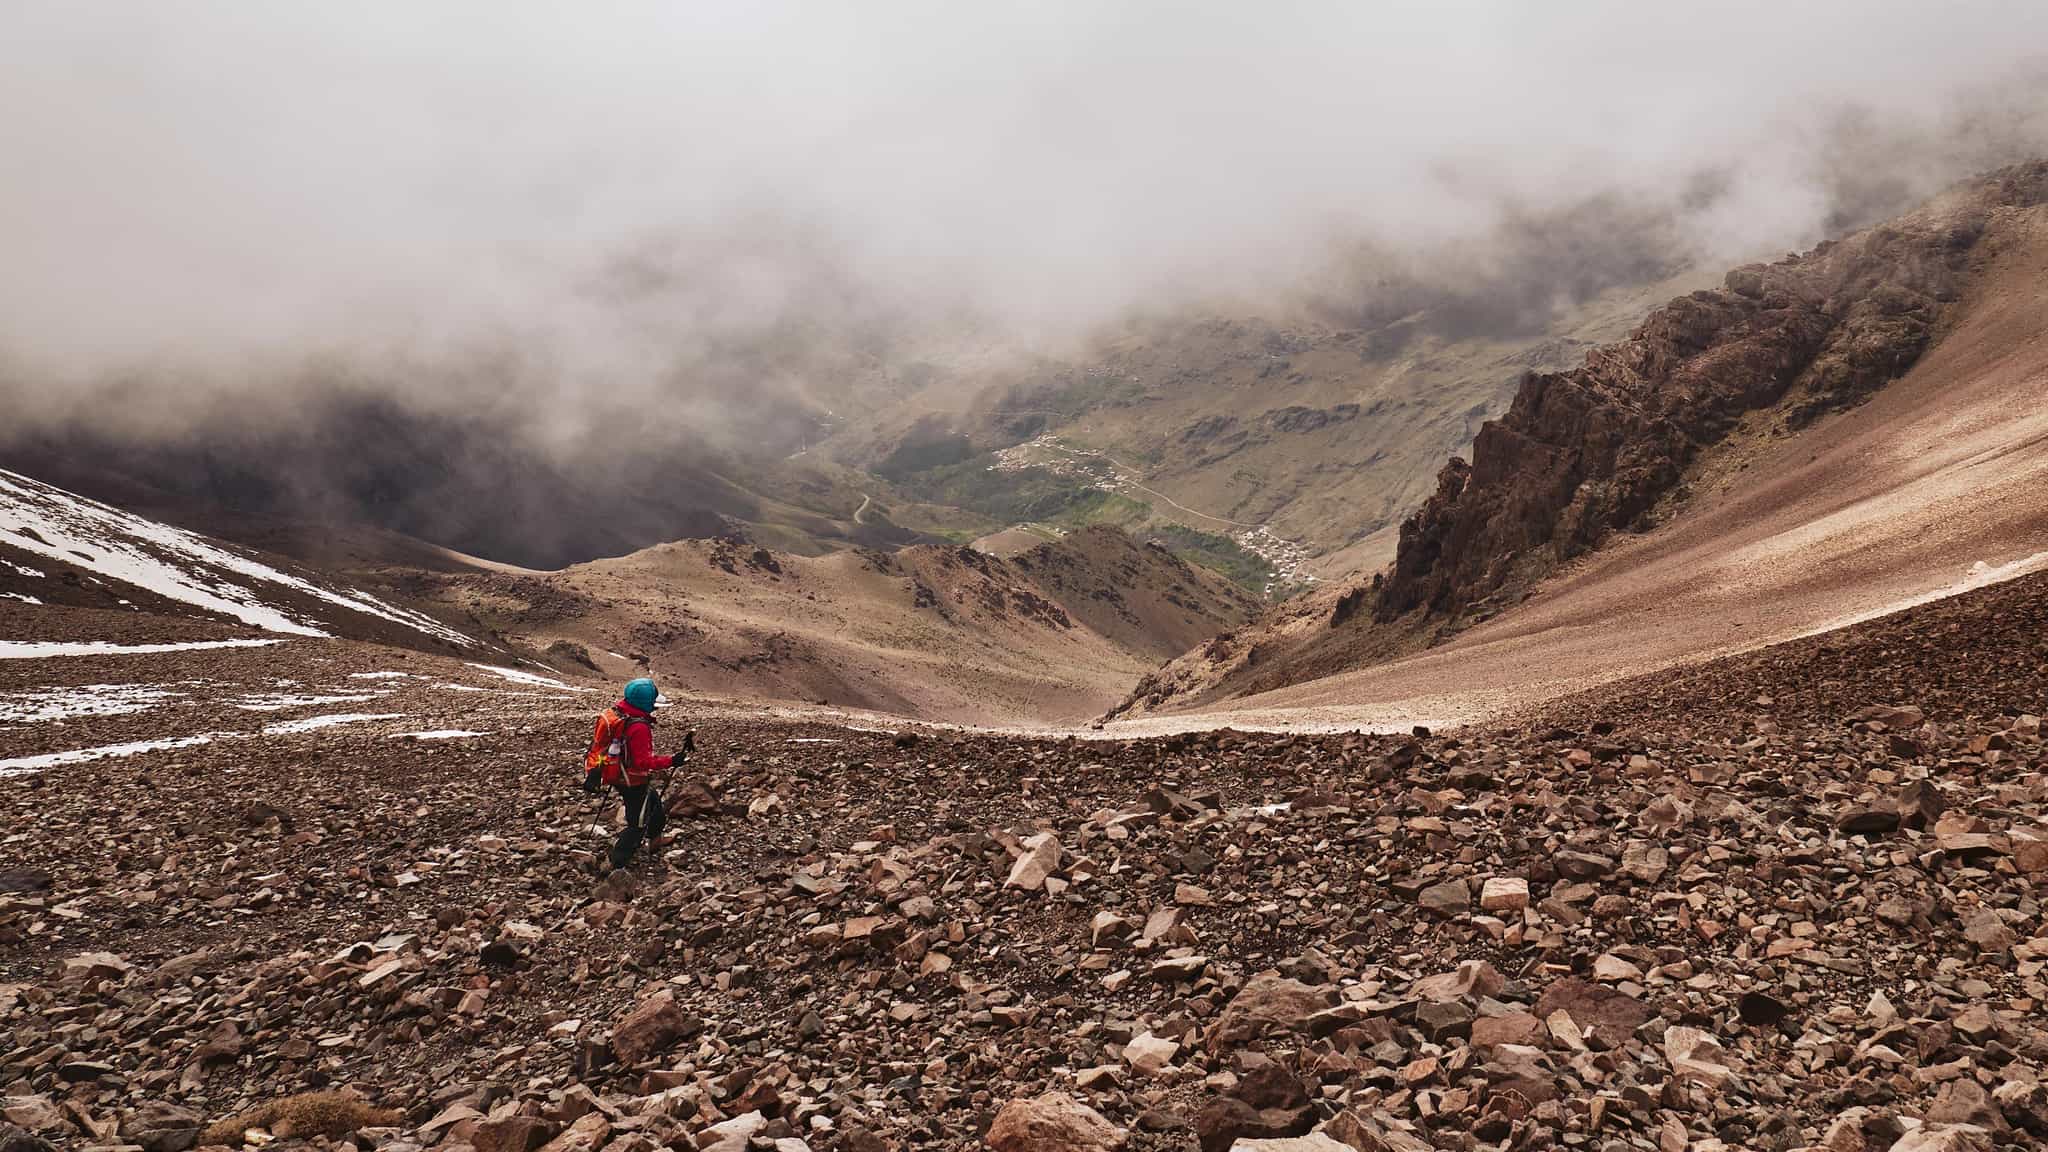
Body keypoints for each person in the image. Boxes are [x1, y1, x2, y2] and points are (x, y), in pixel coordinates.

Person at [584, 677, 688, 870]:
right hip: (631, 780)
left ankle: (655, 840)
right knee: (637, 823)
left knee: (654, 802)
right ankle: (616, 863)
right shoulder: (639, 727)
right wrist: (672, 760)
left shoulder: (618, 714)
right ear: (646, 703)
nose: (655, 708)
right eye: (653, 703)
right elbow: (643, 762)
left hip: (618, 772)